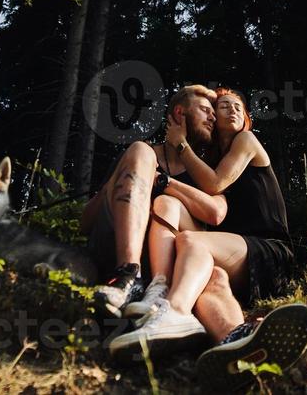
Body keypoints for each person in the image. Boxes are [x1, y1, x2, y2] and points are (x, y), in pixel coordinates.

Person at [110, 87, 307, 378]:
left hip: (271, 251)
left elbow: (215, 184)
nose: (232, 110)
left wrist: (181, 146)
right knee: (210, 277)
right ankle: (238, 343)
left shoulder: (245, 141)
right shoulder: (212, 160)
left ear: (246, 119)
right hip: (234, 258)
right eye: (223, 107)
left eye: (238, 107)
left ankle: (175, 310)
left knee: (192, 243)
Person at [79, 84, 227, 316]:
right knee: (140, 150)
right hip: (111, 250)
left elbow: (216, 213)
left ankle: (153, 293)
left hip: (171, 265)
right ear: (180, 113)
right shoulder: (139, 156)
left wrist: (163, 182)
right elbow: (85, 224)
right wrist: (116, 184)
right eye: (205, 110)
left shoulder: (205, 174)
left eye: (213, 114)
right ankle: (127, 276)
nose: (212, 117)